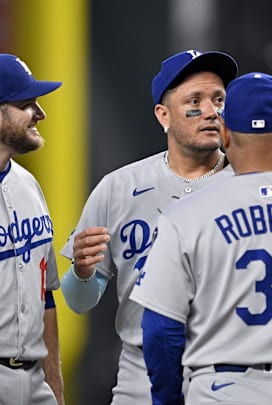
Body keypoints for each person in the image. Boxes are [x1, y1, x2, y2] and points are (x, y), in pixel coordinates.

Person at [129, 71, 272, 404]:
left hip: (222, 387)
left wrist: (168, 400)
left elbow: (160, 330)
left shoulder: (184, 214)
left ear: (224, 133)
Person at [60, 49, 238, 403]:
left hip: (229, 372)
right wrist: (82, 272)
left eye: (219, 98)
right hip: (141, 376)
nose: (211, 111)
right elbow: (78, 302)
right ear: (164, 115)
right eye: (194, 100)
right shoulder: (119, 187)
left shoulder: (249, 184)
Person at [0, 54, 65, 405]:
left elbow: (47, 297)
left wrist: (54, 388)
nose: (40, 114)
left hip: (34, 381)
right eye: (26, 104)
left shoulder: (28, 185)